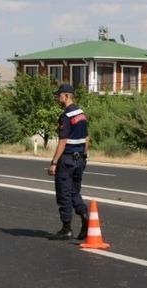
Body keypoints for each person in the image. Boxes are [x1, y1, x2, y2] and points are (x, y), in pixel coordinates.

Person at [47, 84, 90, 241]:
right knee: (74, 192)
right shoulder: (82, 114)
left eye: (59, 95)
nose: (57, 98)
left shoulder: (66, 116)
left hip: (67, 160)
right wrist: (84, 156)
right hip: (80, 159)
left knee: (64, 193)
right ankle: (85, 216)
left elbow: (63, 141)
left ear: (66, 96)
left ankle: (66, 229)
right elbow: (87, 138)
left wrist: (54, 162)